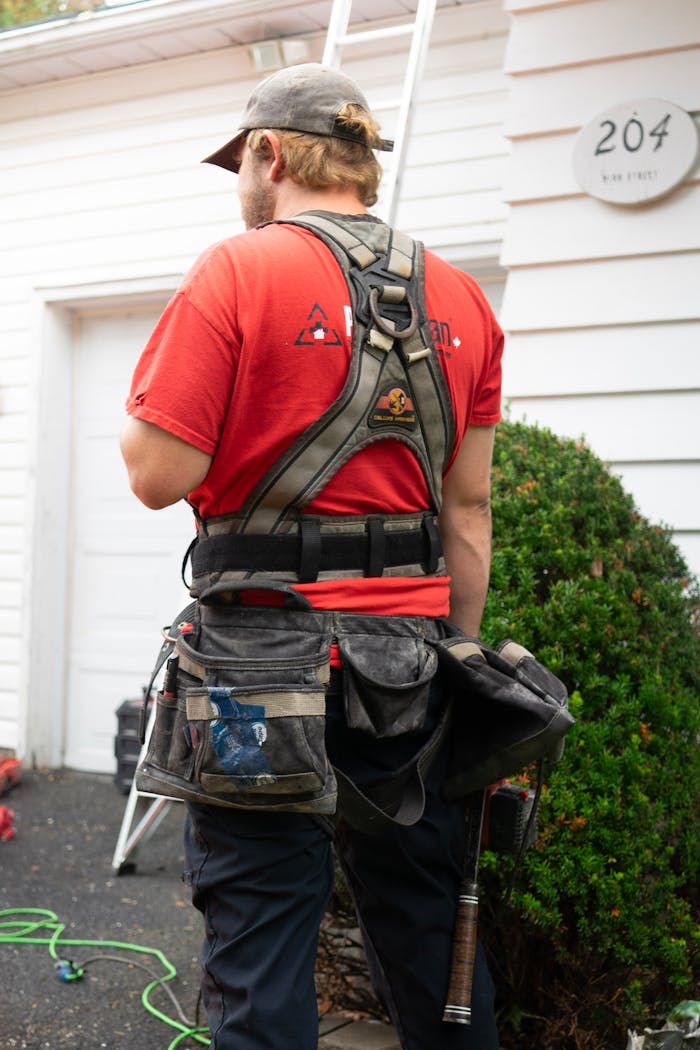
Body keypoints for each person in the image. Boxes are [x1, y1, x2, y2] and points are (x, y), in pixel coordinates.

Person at [121, 63, 503, 1050]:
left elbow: (159, 474)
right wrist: (459, 665)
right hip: (408, 663)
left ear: (269, 153)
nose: (239, 185)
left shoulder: (236, 270)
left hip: (257, 664)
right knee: (430, 934)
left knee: (260, 939)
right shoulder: (460, 295)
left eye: (239, 163)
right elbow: (467, 513)